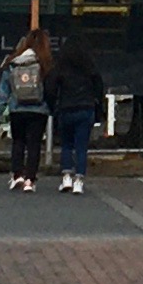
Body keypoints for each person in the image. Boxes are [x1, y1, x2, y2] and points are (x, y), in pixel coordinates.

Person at [46, 30, 105, 194]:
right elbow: (99, 87)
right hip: (86, 108)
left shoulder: (61, 67)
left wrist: (53, 107)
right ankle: (79, 180)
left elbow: (51, 88)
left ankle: (66, 177)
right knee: (81, 147)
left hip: (66, 108)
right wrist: (98, 106)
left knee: (66, 145)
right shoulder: (90, 67)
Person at [0, 26, 51, 193]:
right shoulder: (45, 63)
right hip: (39, 109)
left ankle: (17, 175)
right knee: (34, 144)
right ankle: (30, 180)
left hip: (17, 108)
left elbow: (4, 89)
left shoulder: (13, 62)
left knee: (18, 142)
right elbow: (49, 88)